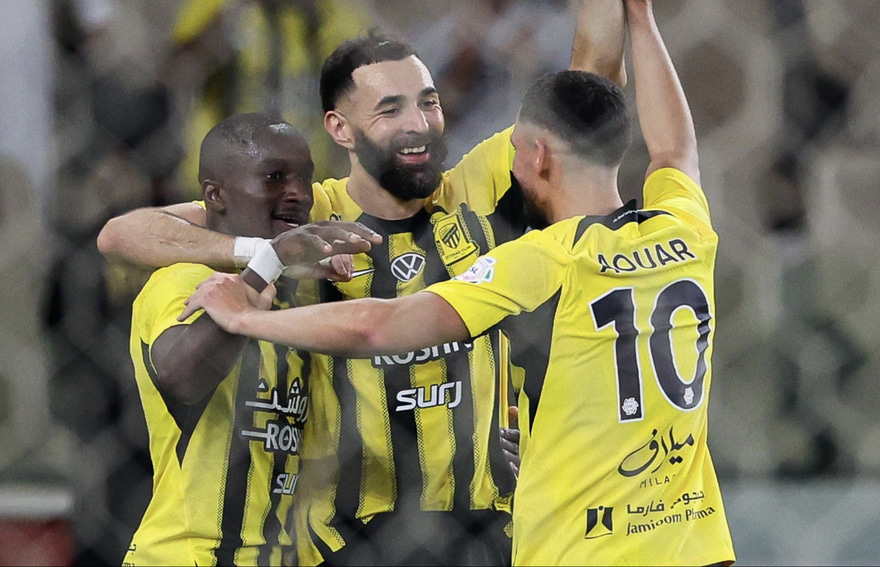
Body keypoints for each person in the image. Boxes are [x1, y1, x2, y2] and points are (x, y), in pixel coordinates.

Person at [182, 0, 737, 565]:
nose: (509, 166)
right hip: (691, 544)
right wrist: (641, 17)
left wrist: (245, 316)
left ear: (539, 156)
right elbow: (673, 148)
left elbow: (380, 325)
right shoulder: (684, 229)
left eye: (515, 150)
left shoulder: (543, 260)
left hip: (583, 550)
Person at [97, 2, 626, 565]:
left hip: (484, 533)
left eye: (428, 102)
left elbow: (587, 91)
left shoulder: (479, 190)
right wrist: (262, 253)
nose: (418, 123)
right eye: (390, 109)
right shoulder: (305, 216)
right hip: (350, 541)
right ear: (340, 129)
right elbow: (122, 234)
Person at [123, 112, 380, 566]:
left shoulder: (297, 296)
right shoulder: (183, 279)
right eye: (274, 177)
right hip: (188, 554)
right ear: (215, 195)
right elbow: (181, 377)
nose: (299, 194)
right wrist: (267, 262)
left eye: (304, 178)